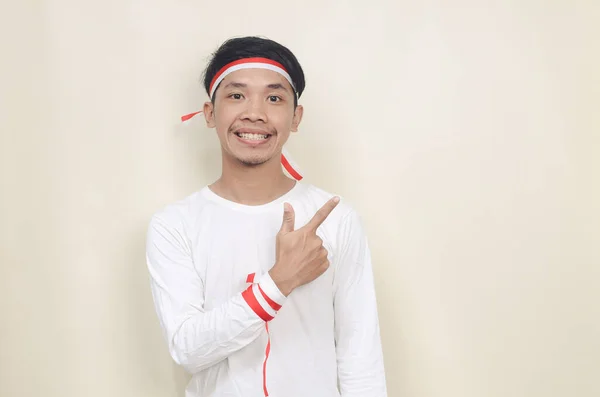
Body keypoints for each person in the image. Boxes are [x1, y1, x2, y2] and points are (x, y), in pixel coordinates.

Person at [146, 36, 387, 397]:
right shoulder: (173, 226)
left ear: (296, 117)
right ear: (210, 113)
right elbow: (188, 349)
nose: (255, 113)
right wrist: (279, 282)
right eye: (236, 95)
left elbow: (360, 355)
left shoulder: (337, 219)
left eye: (274, 98)